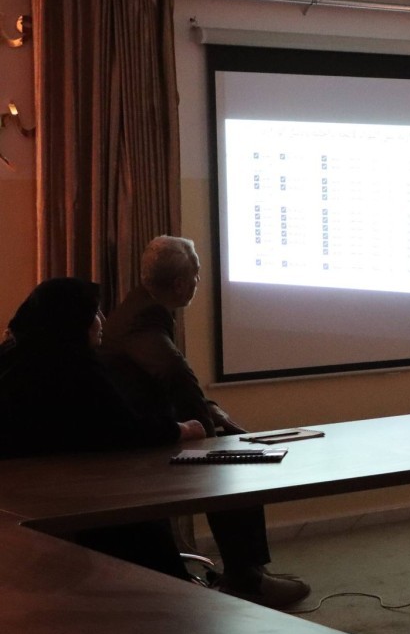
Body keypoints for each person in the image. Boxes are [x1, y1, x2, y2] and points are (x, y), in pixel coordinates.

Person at [101, 236, 310, 608]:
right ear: (181, 284)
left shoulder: (136, 307)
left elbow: (160, 382)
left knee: (232, 446)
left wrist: (211, 411)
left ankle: (249, 573)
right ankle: (247, 579)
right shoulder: (144, 322)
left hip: (140, 432)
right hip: (140, 449)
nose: (198, 282)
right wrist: (210, 433)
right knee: (236, 465)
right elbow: (174, 374)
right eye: (196, 275)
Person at [0, 277, 206, 579]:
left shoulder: (10, 356)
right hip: (70, 505)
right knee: (143, 528)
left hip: (16, 504)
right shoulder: (73, 367)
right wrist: (182, 430)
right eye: (93, 313)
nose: (102, 321)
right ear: (72, 321)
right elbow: (124, 431)